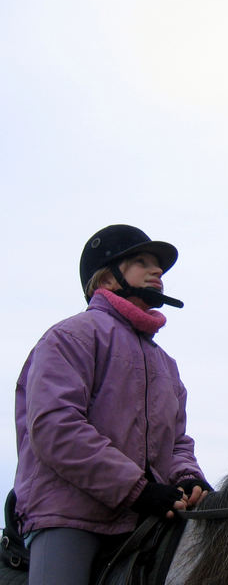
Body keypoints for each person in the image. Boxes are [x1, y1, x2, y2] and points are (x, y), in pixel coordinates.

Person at [12, 224, 210, 585]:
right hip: (71, 517)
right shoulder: (69, 336)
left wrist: (189, 477)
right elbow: (56, 428)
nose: (157, 273)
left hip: (149, 516)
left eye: (159, 267)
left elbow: (177, 442)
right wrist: (138, 490)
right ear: (104, 280)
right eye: (141, 261)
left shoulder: (166, 364)